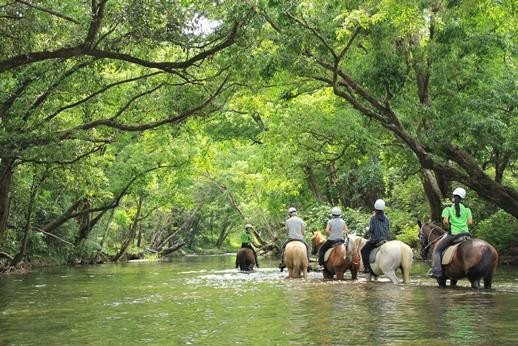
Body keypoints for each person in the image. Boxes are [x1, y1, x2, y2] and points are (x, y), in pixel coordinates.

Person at [429, 187, 473, 278]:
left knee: (437, 250)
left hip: (453, 234)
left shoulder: (448, 209)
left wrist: (448, 227)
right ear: (462, 198)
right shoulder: (467, 209)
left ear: (454, 197)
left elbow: (445, 221)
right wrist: (462, 225)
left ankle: (437, 271)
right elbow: (470, 222)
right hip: (466, 234)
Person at [361, 199, 390, 274]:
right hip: (384, 240)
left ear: (375, 208)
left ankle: (367, 267)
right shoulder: (386, 218)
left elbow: (371, 230)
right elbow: (387, 229)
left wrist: (367, 229)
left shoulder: (373, 218)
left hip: (375, 240)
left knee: (363, 250)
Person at [279, 207, 311, 272]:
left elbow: (287, 233)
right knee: (308, 248)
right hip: (300, 239)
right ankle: (308, 262)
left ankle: (282, 262)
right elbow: (303, 232)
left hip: (291, 239)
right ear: (296, 213)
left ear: (289, 214)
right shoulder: (301, 220)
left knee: (283, 248)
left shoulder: (287, 221)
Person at [316, 207, 349, 271]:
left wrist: (331, 234)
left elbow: (327, 231)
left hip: (332, 240)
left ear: (332, 214)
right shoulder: (343, 221)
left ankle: (321, 265)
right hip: (341, 240)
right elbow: (346, 230)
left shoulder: (330, 221)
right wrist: (341, 233)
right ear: (340, 214)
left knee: (321, 250)